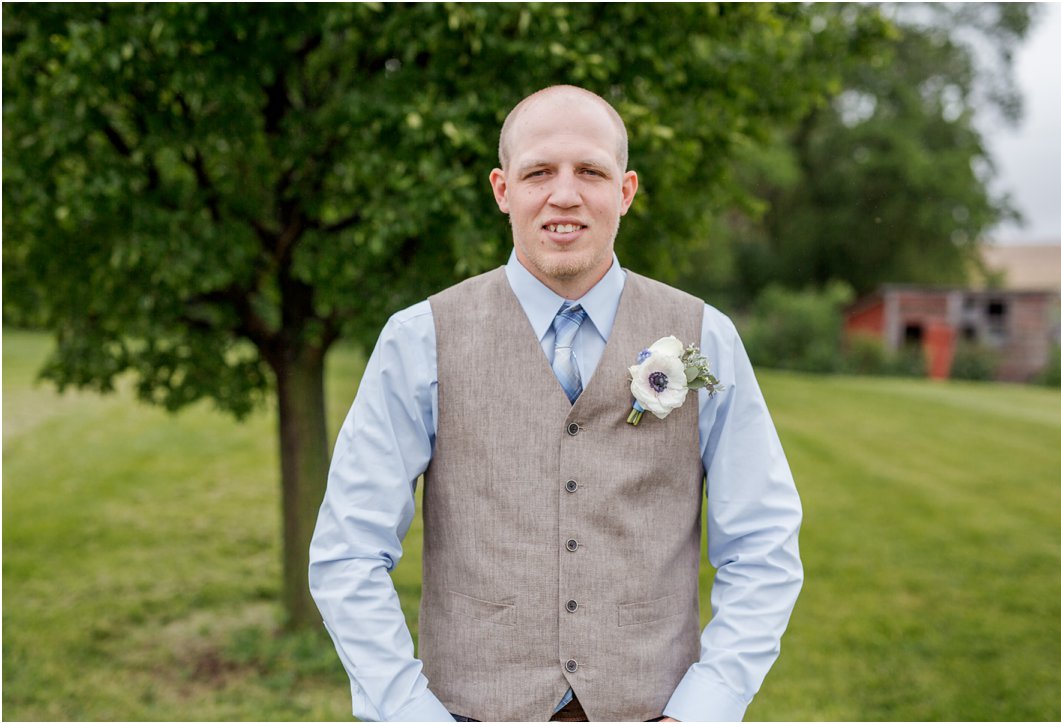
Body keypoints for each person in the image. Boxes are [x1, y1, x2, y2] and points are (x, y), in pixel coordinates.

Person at [309, 85, 802, 722]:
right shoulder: (420, 339)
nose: (563, 195)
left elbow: (761, 544)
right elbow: (349, 549)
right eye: (539, 171)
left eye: (590, 171)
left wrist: (705, 707)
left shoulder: (705, 336)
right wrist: (411, 713)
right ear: (502, 190)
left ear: (624, 191)